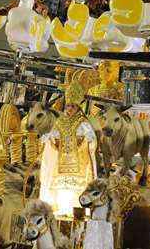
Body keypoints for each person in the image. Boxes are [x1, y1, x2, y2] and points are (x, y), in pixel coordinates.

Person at [39, 81, 97, 217]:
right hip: (60, 164)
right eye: (68, 105)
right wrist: (48, 139)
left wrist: (88, 141)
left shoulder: (83, 123)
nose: (69, 109)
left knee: (77, 190)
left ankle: (77, 208)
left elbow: (92, 139)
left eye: (73, 106)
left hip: (79, 164)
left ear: (78, 107)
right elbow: (51, 135)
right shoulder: (59, 121)